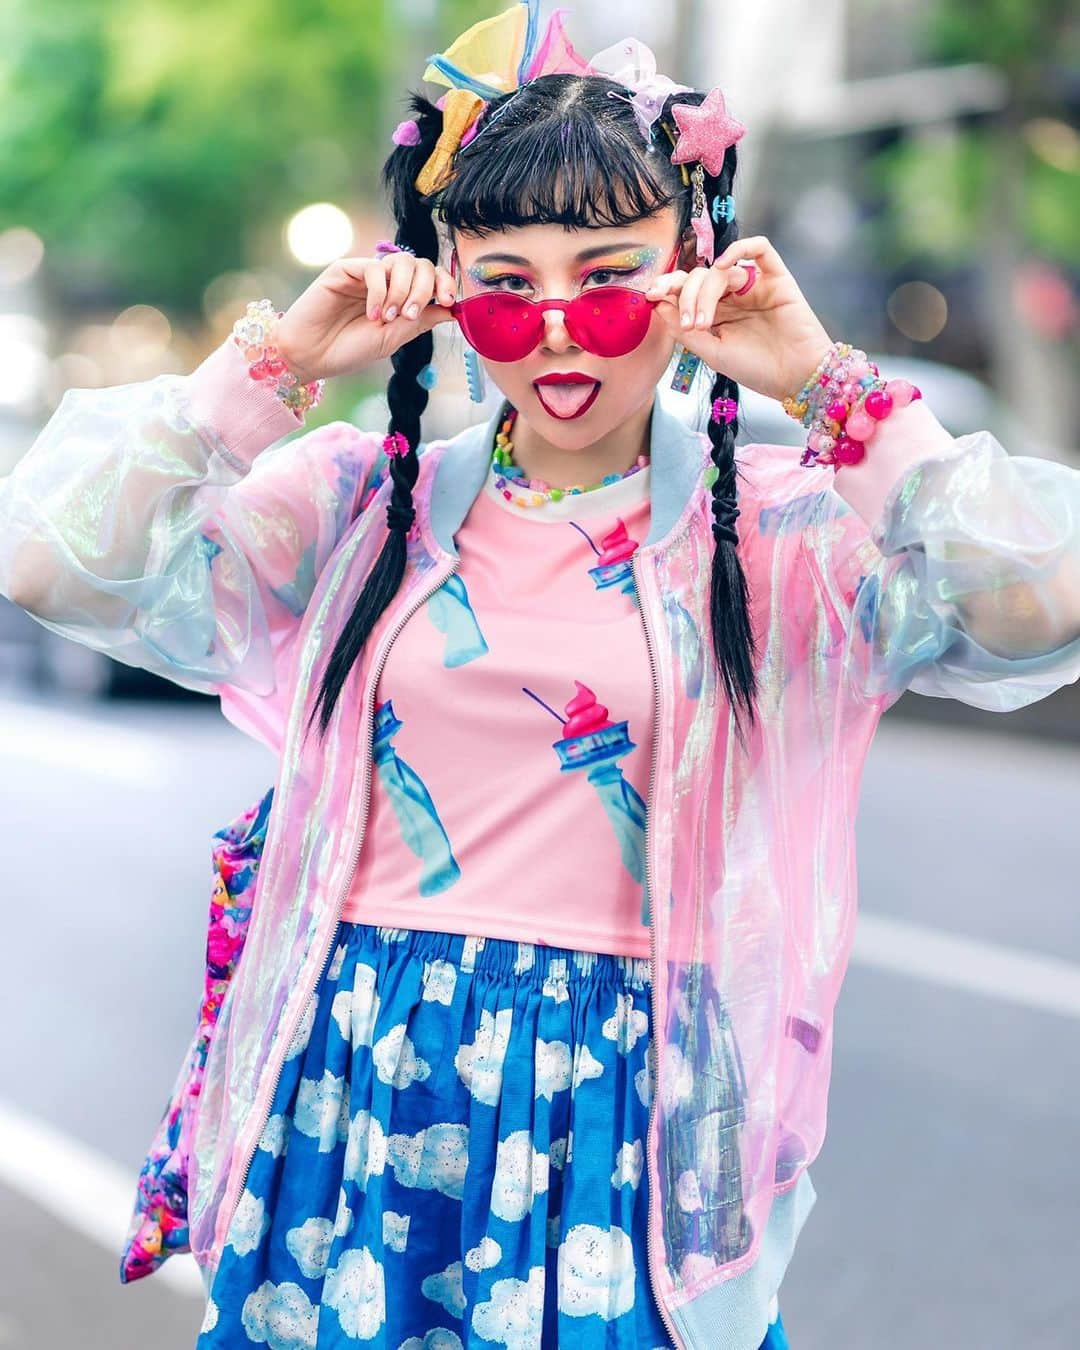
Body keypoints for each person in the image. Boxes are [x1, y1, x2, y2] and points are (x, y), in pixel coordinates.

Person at [2, 3, 1078, 1347]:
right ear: (446, 283)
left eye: (612, 278)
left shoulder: (785, 535)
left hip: (630, 1111)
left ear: (694, 268)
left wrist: (827, 384)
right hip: (364, 1084)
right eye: (507, 285)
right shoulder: (356, 505)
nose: (562, 332)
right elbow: (48, 563)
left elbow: (1042, 602)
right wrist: (274, 364)